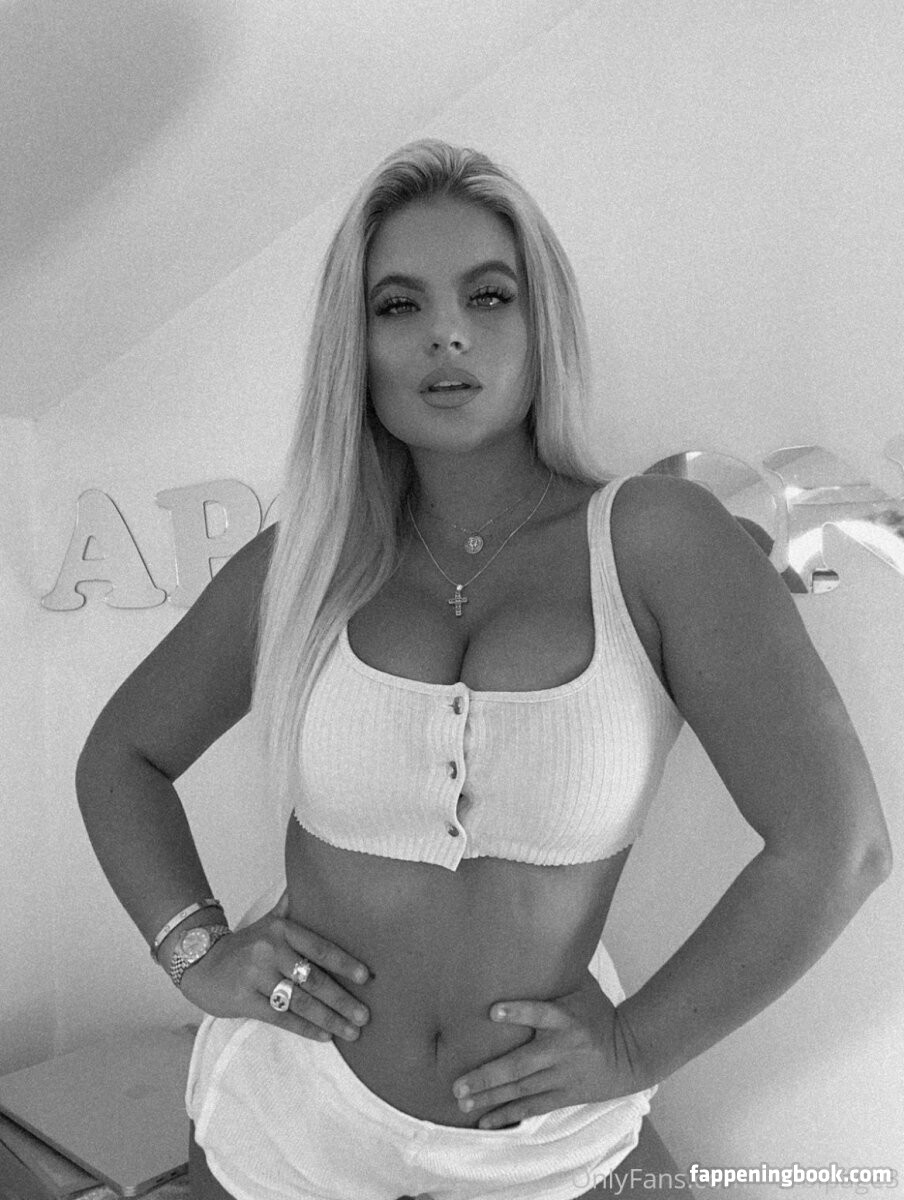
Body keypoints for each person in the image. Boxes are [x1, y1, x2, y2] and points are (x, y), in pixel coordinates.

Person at [75, 139, 892, 1200]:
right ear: (355, 347)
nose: (446, 332)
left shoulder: (658, 541)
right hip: (289, 1117)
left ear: (542, 324)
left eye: (489, 295)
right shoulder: (306, 561)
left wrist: (635, 1049)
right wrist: (196, 952)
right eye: (398, 305)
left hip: (544, 1142)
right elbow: (123, 757)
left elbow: (838, 847)